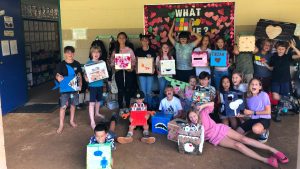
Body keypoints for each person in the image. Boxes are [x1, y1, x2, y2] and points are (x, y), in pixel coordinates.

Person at [187, 102, 289, 168]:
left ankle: (274, 150)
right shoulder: (191, 126)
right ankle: (266, 160)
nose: (193, 119)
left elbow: (212, 104)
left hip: (220, 128)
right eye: (190, 118)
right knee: (238, 145)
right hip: (215, 138)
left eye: (194, 116)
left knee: (243, 139)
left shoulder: (203, 113)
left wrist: (201, 106)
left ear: (197, 113)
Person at [269, 40, 300, 122]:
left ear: (285, 49)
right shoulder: (273, 56)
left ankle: (278, 114)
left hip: (285, 80)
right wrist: (265, 64)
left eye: (282, 49)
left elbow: (299, 55)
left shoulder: (288, 56)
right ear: (276, 48)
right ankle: (290, 101)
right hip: (275, 80)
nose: (281, 50)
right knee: (275, 96)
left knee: (283, 98)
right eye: (279, 48)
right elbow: (271, 67)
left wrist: (293, 47)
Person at [54, 46, 82, 134]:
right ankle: (61, 124)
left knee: (73, 105)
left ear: (74, 53)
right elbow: (57, 75)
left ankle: (71, 121)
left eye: (72, 52)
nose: (70, 54)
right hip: (65, 90)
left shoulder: (77, 63)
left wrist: (80, 84)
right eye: (68, 52)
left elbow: (79, 75)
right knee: (63, 106)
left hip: (74, 88)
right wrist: (58, 77)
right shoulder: (60, 65)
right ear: (65, 54)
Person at [236, 78, 271, 143]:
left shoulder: (264, 95)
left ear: (260, 87)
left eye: (256, 84)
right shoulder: (248, 97)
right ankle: (251, 128)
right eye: (252, 84)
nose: (254, 86)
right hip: (253, 118)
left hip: (264, 118)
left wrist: (252, 112)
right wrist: (242, 115)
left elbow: (268, 111)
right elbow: (250, 114)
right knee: (237, 133)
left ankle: (264, 131)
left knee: (255, 129)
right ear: (249, 86)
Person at [110, 32, 136, 110]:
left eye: (123, 37)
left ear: (126, 39)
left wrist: (131, 68)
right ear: (117, 39)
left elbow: (134, 60)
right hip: (119, 73)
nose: (121, 39)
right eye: (120, 38)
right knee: (120, 90)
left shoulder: (129, 50)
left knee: (128, 89)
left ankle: (128, 106)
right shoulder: (115, 51)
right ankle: (120, 107)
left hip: (128, 73)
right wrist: (115, 68)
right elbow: (112, 62)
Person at [84, 46, 105, 129]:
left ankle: (97, 113)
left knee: (98, 101)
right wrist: (86, 78)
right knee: (92, 103)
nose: (96, 54)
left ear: (100, 54)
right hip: (92, 86)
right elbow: (85, 76)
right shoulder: (88, 63)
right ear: (91, 53)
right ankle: (92, 121)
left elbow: (104, 73)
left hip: (100, 85)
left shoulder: (102, 62)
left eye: (98, 52)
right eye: (94, 52)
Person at [135, 34, 157, 109]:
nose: (144, 42)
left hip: (150, 74)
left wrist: (153, 69)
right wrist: (137, 69)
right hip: (141, 74)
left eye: (146, 40)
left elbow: (153, 62)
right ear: (141, 41)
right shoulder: (138, 50)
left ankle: (149, 107)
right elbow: (137, 61)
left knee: (149, 92)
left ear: (148, 42)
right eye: (143, 40)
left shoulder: (152, 51)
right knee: (143, 91)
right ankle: (144, 107)